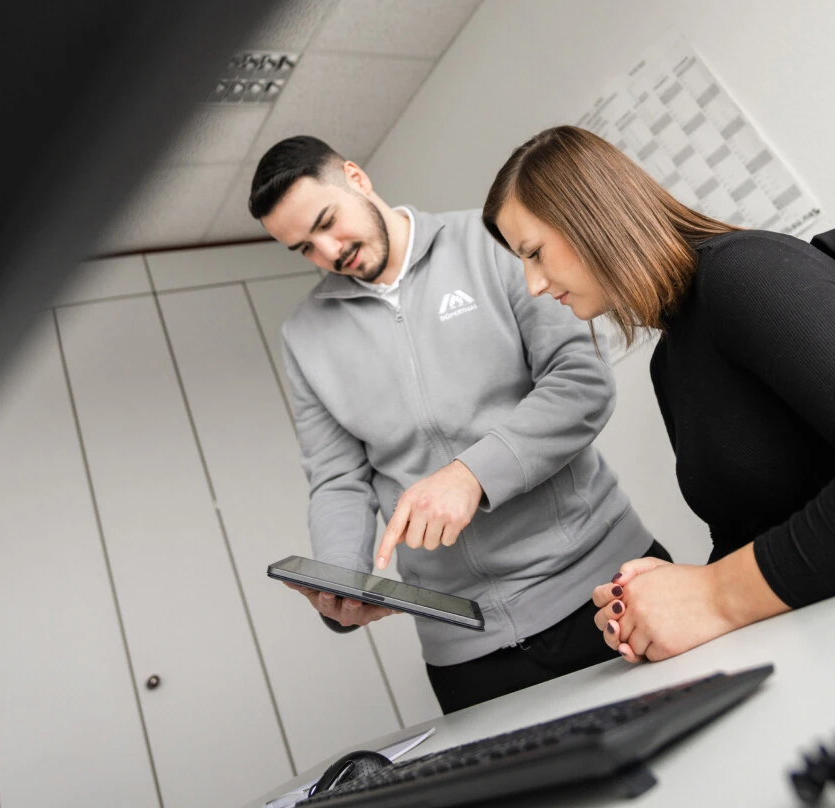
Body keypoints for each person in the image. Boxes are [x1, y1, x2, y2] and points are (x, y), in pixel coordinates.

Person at [481, 125, 835, 664]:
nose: (534, 285)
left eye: (535, 253)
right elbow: (757, 533)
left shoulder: (745, 273)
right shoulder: (671, 361)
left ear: (591, 218)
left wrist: (712, 594)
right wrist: (673, 593)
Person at [250, 135, 662, 712]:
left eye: (327, 222)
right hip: (465, 648)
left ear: (356, 178)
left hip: (599, 582)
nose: (327, 251)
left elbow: (581, 382)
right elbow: (336, 479)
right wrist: (341, 581)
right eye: (304, 248)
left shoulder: (491, 241)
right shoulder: (305, 337)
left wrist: (470, 475)